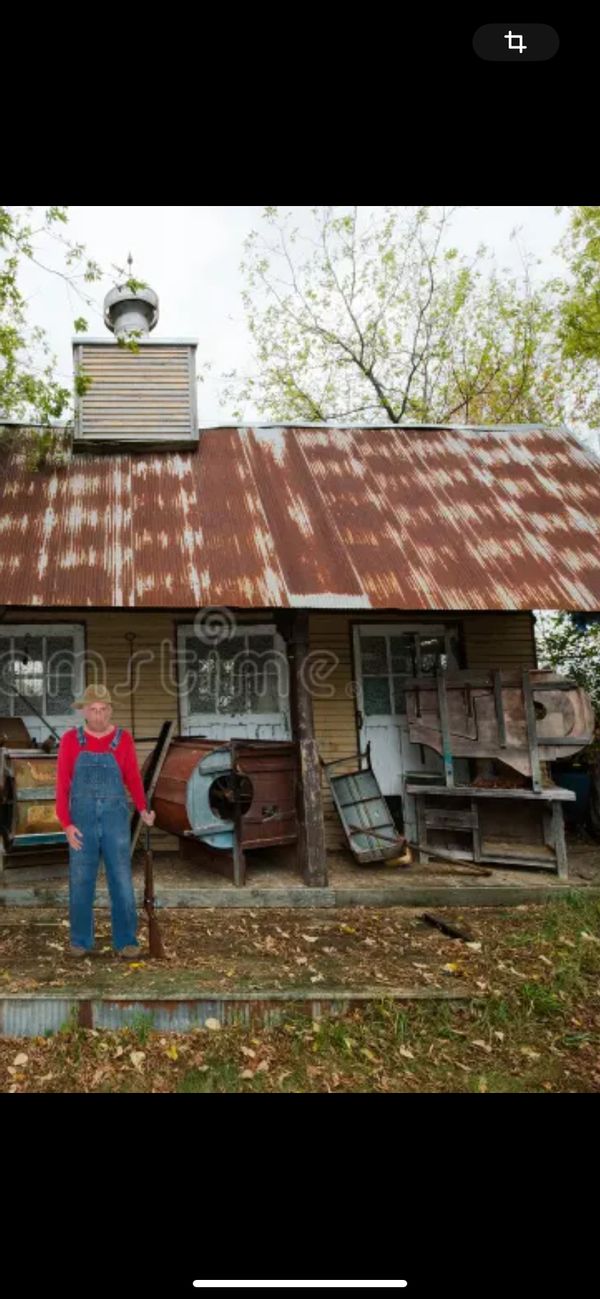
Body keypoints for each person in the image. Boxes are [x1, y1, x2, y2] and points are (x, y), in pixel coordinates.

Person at [55, 684, 155, 958]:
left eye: (103, 710)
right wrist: (66, 823)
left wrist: (144, 808)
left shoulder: (123, 740)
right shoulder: (70, 740)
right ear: (84, 712)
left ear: (110, 711)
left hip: (115, 818)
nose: (98, 716)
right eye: (93, 710)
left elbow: (133, 777)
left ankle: (126, 940)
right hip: (81, 820)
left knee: (121, 878)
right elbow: (62, 785)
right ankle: (80, 940)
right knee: (81, 878)